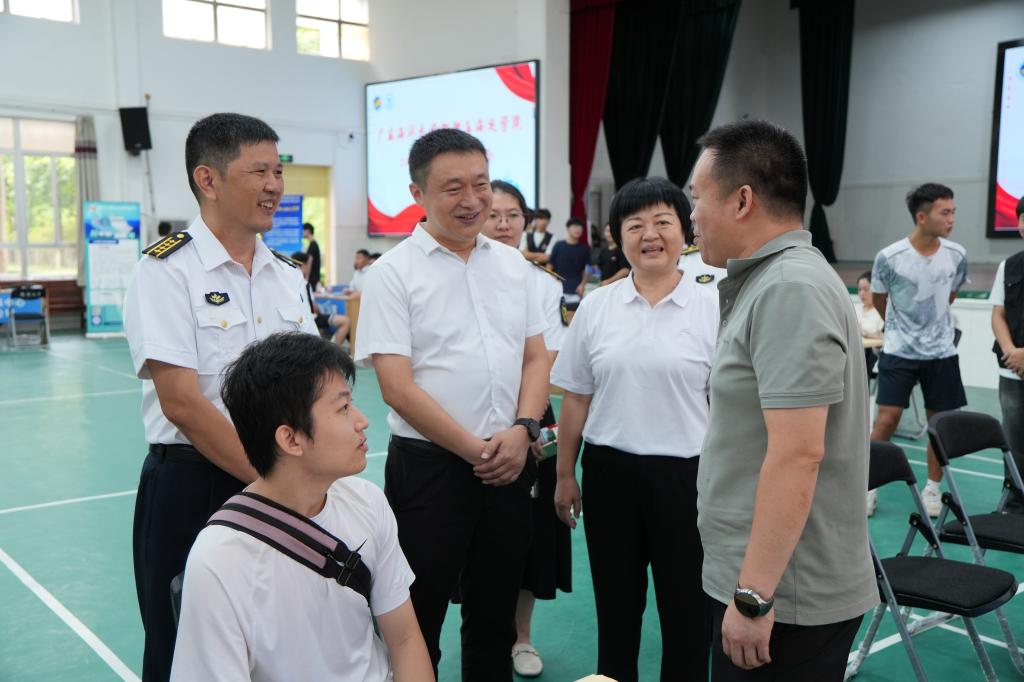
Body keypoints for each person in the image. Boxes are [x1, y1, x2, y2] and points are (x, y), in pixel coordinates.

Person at [123, 113, 320, 681]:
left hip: (284, 478)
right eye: (259, 171)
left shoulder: (286, 275)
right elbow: (182, 403)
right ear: (207, 179)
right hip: (195, 484)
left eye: (278, 171)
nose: (274, 185)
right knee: (185, 648)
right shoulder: (166, 270)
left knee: (279, 641)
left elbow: (311, 382)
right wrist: (272, 481)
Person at [355, 128, 550, 681]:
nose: (472, 200)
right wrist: (476, 450)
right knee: (419, 613)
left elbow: (536, 358)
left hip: (510, 459)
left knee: (494, 612)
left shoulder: (513, 266)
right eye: (453, 188)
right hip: (431, 470)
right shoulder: (391, 275)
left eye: (481, 184)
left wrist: (523, 429)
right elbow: (396, 386)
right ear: (417, 193)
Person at [690, 120, 877, 681]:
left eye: (697, 198)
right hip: (775, 584)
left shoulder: (787, 288)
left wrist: (753, 596)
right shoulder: (775, 281)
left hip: (784, 597)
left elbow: (798, 454)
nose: (692, 215)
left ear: (742, 201)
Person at [170, 332, 433, 682]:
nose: (362, 420)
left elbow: (405, 639)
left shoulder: (367, 502)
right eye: (343, 408)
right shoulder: (219, 560)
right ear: (291, 439)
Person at [552, 177, 719, 682]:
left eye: (663, 222)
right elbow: (577, 396)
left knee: (687, 613)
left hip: (688, 478)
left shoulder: (713, 303)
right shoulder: (597, 307)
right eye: (635, 225)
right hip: (610, 475)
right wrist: (565, 473)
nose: (650, 235)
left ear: (684, 231)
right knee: (617, 608)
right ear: (616, 236)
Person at [481, 179, 570, 678]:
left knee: (529, 535)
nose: (503, 224)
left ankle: (521, 637)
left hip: (533, 421)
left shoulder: (544, 284)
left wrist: (527, 424)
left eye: (512, 215)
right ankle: (481, 635)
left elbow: (547, 360)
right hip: (471, 420)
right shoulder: (457, 275)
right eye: (494, 214)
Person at [869, 183, 968, 517]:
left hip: (941, 354)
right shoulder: (890, 257)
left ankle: (933, 489)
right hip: (899, 351)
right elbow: (880, 299)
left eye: (953, 212)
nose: (951, 219)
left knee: (939, 424)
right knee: (887, 420)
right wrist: (902, 329)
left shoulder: (956, 255)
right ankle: (867, 486)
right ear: (922, 217)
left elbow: (950, 295)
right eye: (945, 212)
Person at [990, 195, 1024, 514]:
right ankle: (1013, 506)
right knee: (1014, 441)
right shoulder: (1008, 265)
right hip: (1011, 370)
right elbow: (998, 314)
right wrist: (1012, 351)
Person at [291, 251, 350, 344]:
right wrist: (319, 308)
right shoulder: (304, 283)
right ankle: (332, 350)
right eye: (308, 265)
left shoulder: (289, 282)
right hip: (312, 319)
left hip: (297, 320)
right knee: (346, 321)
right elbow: (312, 308)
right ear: (303, 265)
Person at [549, 217, 591, 303]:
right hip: (557, 289)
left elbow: (587, 268)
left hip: (576, 290)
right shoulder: (558, 245)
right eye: (575, 226)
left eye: (580, 227)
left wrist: (582, 285)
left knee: (573, 311)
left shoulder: (584, 248)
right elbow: (550, 265)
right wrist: (549, 284)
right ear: (568, 229)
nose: (578, 229)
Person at [303, 221, 322, 290]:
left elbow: (309, 262)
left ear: (308, 231)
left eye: (303, 230)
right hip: (314, 278)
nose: (302, 233)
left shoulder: (313, 245)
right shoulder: (313, 244)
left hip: (312, 279)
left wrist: (306, 278)